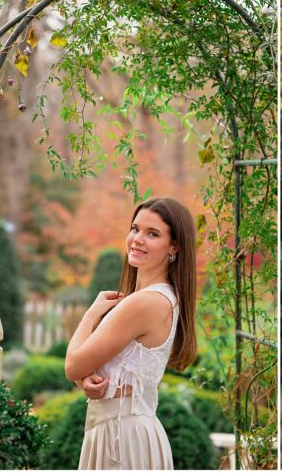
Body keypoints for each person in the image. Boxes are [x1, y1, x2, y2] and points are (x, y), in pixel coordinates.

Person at [64, 197, 198, 470]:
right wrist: (86, 380)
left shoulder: (144, 302)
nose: (137, 239)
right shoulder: (164, 298)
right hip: (124, 430)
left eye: (153, 234)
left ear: (174, 247)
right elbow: (109, 376)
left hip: (122, 438)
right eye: (135, 229)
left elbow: (72, 365)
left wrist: (90, 315)